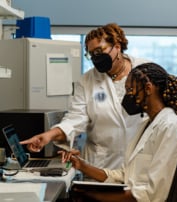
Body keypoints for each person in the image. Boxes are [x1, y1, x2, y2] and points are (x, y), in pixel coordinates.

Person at [20, 23, 150, 171]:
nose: (96, 57)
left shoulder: (146, 70)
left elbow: (164, 112)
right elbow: (76, 118)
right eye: (91, 54)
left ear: (117, 46)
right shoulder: (87, 81)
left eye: (100, 51)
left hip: (140, 159)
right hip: (102, 164)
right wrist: (49, 135)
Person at [60, 62, 177, 202]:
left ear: (148, 88)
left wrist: (92, 195)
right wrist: (82, 166)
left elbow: (153, 194)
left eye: (130, 90)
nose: (127, 96)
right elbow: (124, 175)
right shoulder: (146, 124)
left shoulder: (171, 127)